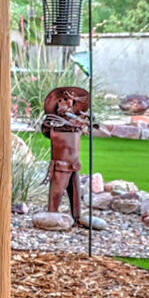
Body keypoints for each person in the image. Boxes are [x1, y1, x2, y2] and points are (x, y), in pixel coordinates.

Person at [41, 85, 95, 227]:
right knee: (56, 192)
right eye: (65, 100)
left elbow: (83, 125)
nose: (69, 103)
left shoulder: (76, 123)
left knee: (76, 194)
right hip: (60, 165)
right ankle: (51, 218)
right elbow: (47, 129)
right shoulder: (53, 121)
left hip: (74, 164)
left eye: (71, 101)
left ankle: (76, 217)